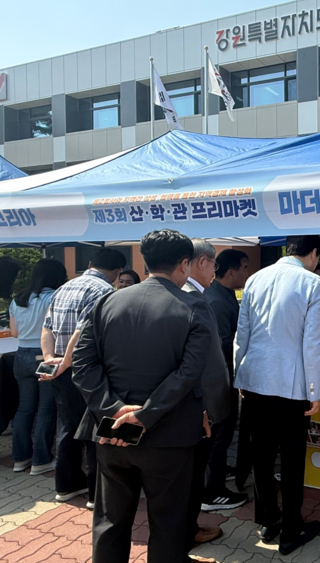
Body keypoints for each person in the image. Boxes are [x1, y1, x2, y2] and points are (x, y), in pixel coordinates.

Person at [71, 229, 228, 563]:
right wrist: (144, 415)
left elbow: (82, 366)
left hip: (111, 431)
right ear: (185, 264)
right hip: (168, 434)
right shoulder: (193, 307)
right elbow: (190, 372)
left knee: (110, 521)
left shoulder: (108, 301)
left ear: (144, 261)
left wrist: (113, 410)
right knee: (168, 522)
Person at [234, 235, 320, 555]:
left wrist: (239, 376)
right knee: (291, 459)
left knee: (261, 456)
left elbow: (242, 333)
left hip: (255, 380)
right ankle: (291, 528)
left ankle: (268, 519)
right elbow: (313, 343)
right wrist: (315, 390)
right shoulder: (313, 283)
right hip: (291, 385)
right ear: (313, 253)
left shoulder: (255, 279)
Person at [40, 247, 126, 507]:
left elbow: (47, 327)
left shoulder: (63, 288)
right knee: (94, 429)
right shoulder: (104, 291)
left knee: (67, 426)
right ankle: (95, 493)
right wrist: (67, 362)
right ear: (117, 271)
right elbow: (81, 332)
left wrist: (50, 359)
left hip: (60, 368)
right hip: (88, 370)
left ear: (90, 264)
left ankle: (66, 485)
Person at [180, 239, 244, 553]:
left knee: (213, 443)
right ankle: (211, 493)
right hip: (206, 394)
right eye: (244, 268)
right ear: (203, 263)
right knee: (213, 441)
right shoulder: (203, 299)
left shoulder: (212, 295)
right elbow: (208, 353)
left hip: (206, 391)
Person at [9, 258, 68, 475]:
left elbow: (14, 332)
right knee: (45, 409)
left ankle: (20, 458)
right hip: (45, 355)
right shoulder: (54, 297)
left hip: (21, 354)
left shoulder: (18, 299)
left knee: (24, 409)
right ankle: (41, 460)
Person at [202, 249, 250, 508]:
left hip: (225, 378)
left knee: (223, 434)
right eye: (244, 268)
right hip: (220, 380)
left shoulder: (225, 294)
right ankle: (212, 492)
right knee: (219, 434)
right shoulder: (217, 301)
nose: (247, 274)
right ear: (231, 272)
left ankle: (218, 473)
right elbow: (221, 347)